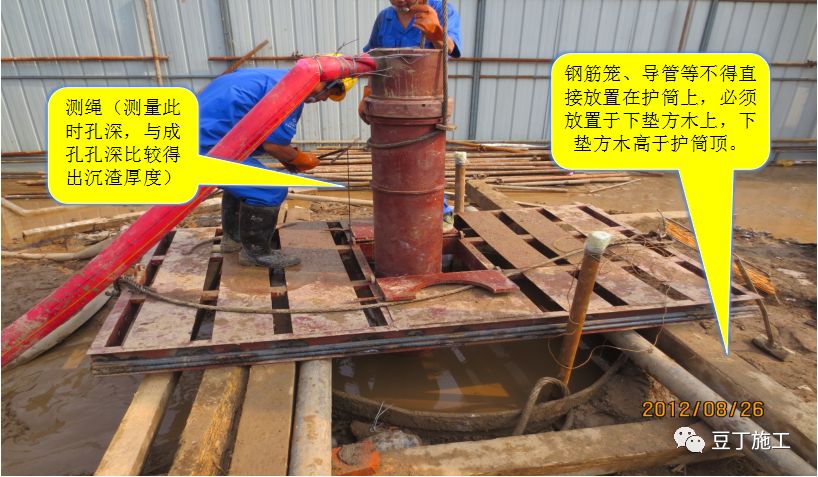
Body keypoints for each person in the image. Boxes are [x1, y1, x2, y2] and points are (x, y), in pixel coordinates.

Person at [199, 68, 355, 268]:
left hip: (204, 138)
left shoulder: (275, 79)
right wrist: (300, 158)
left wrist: (289, 159)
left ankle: (233, 240)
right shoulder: (289, 93)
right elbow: (273, 146)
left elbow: (265, 137)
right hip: (204, 147)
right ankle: (256, 254)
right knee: (270, 190)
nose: (324, 99)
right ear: (327, 82)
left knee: (244, 188)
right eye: (330, 93)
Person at [362, 0, 463, 223]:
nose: (401, 2)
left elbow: (451, 48)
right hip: (388, 109)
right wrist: (366, 93)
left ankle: (439, 214)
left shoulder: (441, 10)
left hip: (424, 110)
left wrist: (437, 34)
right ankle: (395, 216)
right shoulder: (385, 18)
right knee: (391, 166)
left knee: (425, 166)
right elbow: (372, 58)